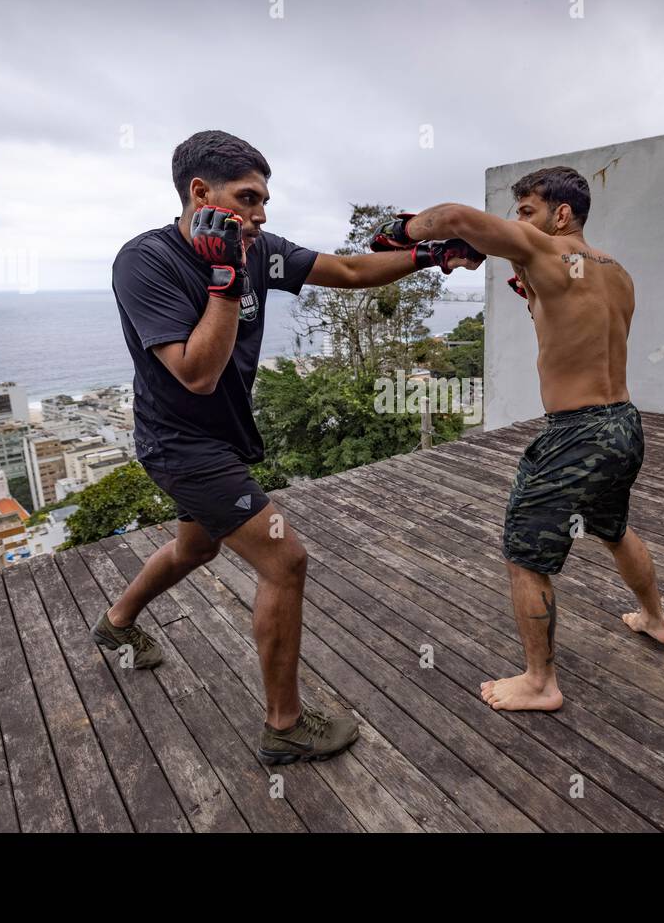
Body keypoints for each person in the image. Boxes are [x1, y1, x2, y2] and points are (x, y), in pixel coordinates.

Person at [103, 130, 481, 763]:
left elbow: (352, 270)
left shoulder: (260, 252)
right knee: (286, 560)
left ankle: (113, 625)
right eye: (248, 198)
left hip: (220, 439)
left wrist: (431, 256)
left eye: (264, 200)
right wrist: (224, 278)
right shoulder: (146, 262)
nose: (261, 213)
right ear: (201, 193)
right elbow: (195, 372)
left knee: (194, 548)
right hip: (180, 444)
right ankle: (284, 727)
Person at [374, 167, 664, 713]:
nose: (519, 224)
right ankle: (655, 619)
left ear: (561, 215)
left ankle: (541, 682)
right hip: (624, 423)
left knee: (524, 553)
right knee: (612, 527)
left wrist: (401, 233)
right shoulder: (617, 272)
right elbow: (574, 322)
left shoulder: (548, 250)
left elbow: (457, 218)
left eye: (527, 212)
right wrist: (531, 288)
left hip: (576, 433)